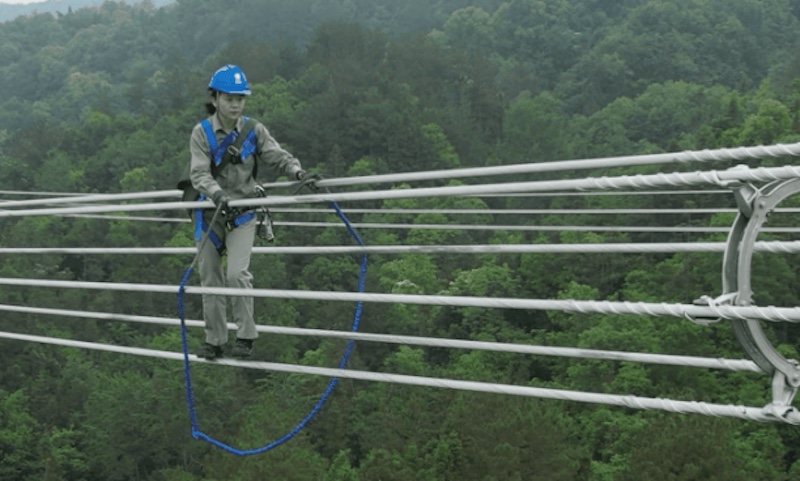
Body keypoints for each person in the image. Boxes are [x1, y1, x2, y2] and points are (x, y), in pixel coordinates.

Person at [189, 64, 312, 360]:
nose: (235, 104)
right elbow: (199, 174)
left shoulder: (253, 131)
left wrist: (297, 172)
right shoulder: (202, 133)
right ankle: (215, 340)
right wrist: (216, 193)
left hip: (243, 213)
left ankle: (245, 337)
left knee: (237, 274)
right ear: (215, 99)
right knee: (210, 279)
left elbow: (276, 156)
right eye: (229, 98)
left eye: (240, 98)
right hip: (209, 214)